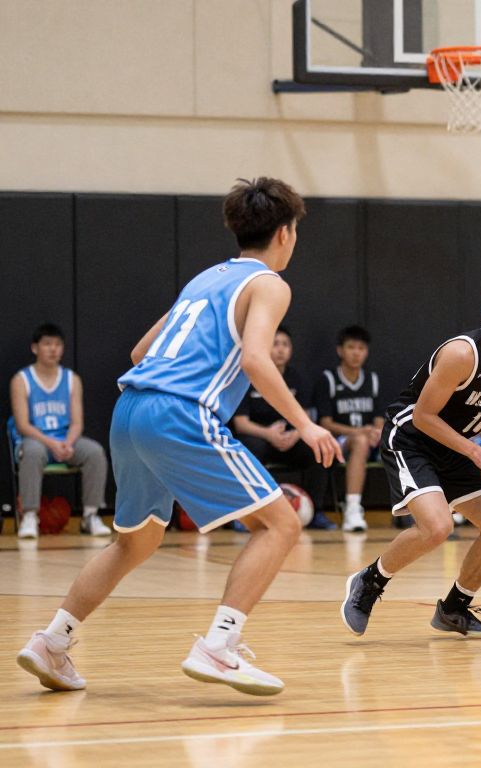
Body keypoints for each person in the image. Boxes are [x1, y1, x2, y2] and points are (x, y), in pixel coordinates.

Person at [16, 178, 340, 696]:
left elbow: (141, 351)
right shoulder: (269, 284)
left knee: (135, 543)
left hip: (131, 409)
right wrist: (305, 423)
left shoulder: (206, 279)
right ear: (284, 233)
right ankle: (220, 645)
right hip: (178, 413)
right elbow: (257, 357)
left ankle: (52, 642)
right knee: (279, 523)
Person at [341, 263, 481, 639]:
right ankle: (369, 581)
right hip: (412, 437)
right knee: (437, 527)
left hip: (460, 448)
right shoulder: (461, 354)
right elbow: (424, 416)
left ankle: (454, 608)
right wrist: (475, 451)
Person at [10, 323, 111, 538]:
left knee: (94, 452)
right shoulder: (21, 380)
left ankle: (90, 515)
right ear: (35, 348)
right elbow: (22, 425)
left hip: (66, 439)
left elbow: (77, 422)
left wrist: (67, 442)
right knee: (33, 452)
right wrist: (52, 444)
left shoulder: (72, 379)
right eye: (47, 344)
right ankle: (29, 515)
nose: (53, 349)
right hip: (35, 440)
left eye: (58, 344)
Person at [232, 325, 334, 530]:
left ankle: (316, 511)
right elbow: (241, 423)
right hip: (260, 438)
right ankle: (246, 514)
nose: (280, 349)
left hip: (291, 439)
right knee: (248, 448)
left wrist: (296, 434)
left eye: (285, 345)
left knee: (319, 448)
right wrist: (268, 434)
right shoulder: (247, 376)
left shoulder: (298, 378)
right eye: (275, 344)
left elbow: (305, 415)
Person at [315, 325, 385, 532]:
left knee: (400, 441)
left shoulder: (372, 379)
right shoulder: (328, 379)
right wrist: (359, 432)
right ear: (340, 350)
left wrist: (378, 431)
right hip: (337, 441)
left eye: (361, 348)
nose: (356, 353)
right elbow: (325, 423)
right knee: (361, 441)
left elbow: (379, 418)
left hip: (366, 440)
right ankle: (353, 508)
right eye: (351, 347)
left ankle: (408, 511)